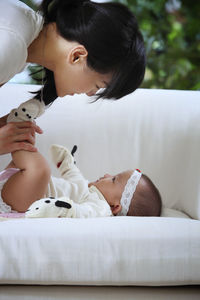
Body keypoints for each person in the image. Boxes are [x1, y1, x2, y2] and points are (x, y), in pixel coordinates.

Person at [0, 0, 146, 155]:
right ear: (77, 56)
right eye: (98, 86)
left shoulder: (22, 36)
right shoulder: (9, 45)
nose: (90, 93)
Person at [0, 144, 161, 218]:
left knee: (40, 169)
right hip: (18, 187)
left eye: (113, 179)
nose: (106, 174)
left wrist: (62, 208)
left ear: (115, 206)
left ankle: (15, 136)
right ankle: (15, 137)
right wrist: (66, 164)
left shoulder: (100, 207)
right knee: (28, 158)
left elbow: (82, 213)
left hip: (27, 202)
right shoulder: (86, 187)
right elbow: (74, 177)